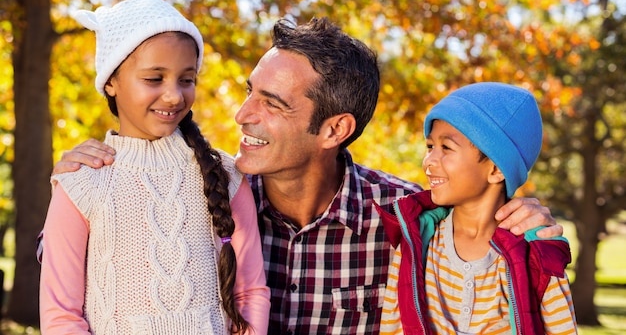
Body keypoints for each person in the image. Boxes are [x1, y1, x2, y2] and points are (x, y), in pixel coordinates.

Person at [48, 17, 563, 334]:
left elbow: (485, 250)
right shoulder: (207, 193)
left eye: (270, 103)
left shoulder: (409, 223)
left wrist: (523, 217)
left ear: (334, 129)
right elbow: (101, 264)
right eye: (249, 91)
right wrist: (78, 182)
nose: (241, 114)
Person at [39, 0, 270, 334]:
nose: (174, 95)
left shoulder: (226, 175)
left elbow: (250, 292)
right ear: (111, 82)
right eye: (154, 78)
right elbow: (61, 315)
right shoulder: (81, 182)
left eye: (186, 79)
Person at [377, 82, 576, 334]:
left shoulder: (536, 257)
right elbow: (393, 327)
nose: (428, 161)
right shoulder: (416, 239)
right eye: (430, 147)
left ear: (495, 169)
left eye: (446, 148)